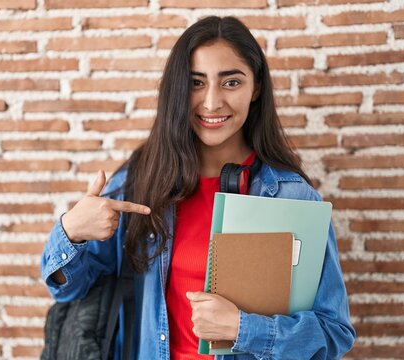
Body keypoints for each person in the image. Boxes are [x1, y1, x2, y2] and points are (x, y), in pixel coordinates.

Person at [40, 16, 355, 360]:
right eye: (196, 83)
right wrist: (72, 232)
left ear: (257, 88)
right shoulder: (140, 183)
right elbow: (69, 291)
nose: (211, 102)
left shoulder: (293, 198)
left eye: (231, 82)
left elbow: (334, 333)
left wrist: (242, 328)